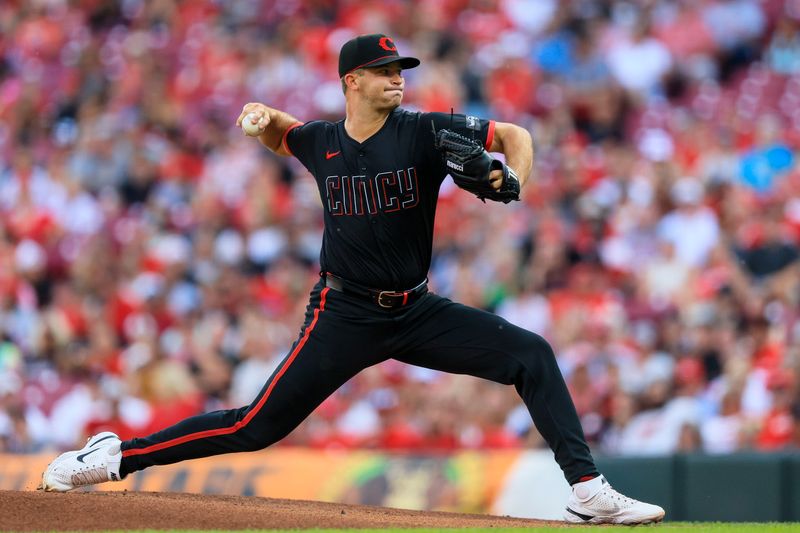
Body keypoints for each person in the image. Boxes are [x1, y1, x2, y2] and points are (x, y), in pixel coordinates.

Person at [41, 34, 665, 525]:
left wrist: (514, 179)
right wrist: (261, 120)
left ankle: (587, 491)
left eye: (402, 70)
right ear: (352, 81)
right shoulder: (324, 142)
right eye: (386, 70)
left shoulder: (424, 130)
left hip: (416, 312)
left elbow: (516, 136)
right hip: (343, 314)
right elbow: (286, 134)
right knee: (254, 427)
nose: (398, 78)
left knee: (530, 353)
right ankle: (113, 458)